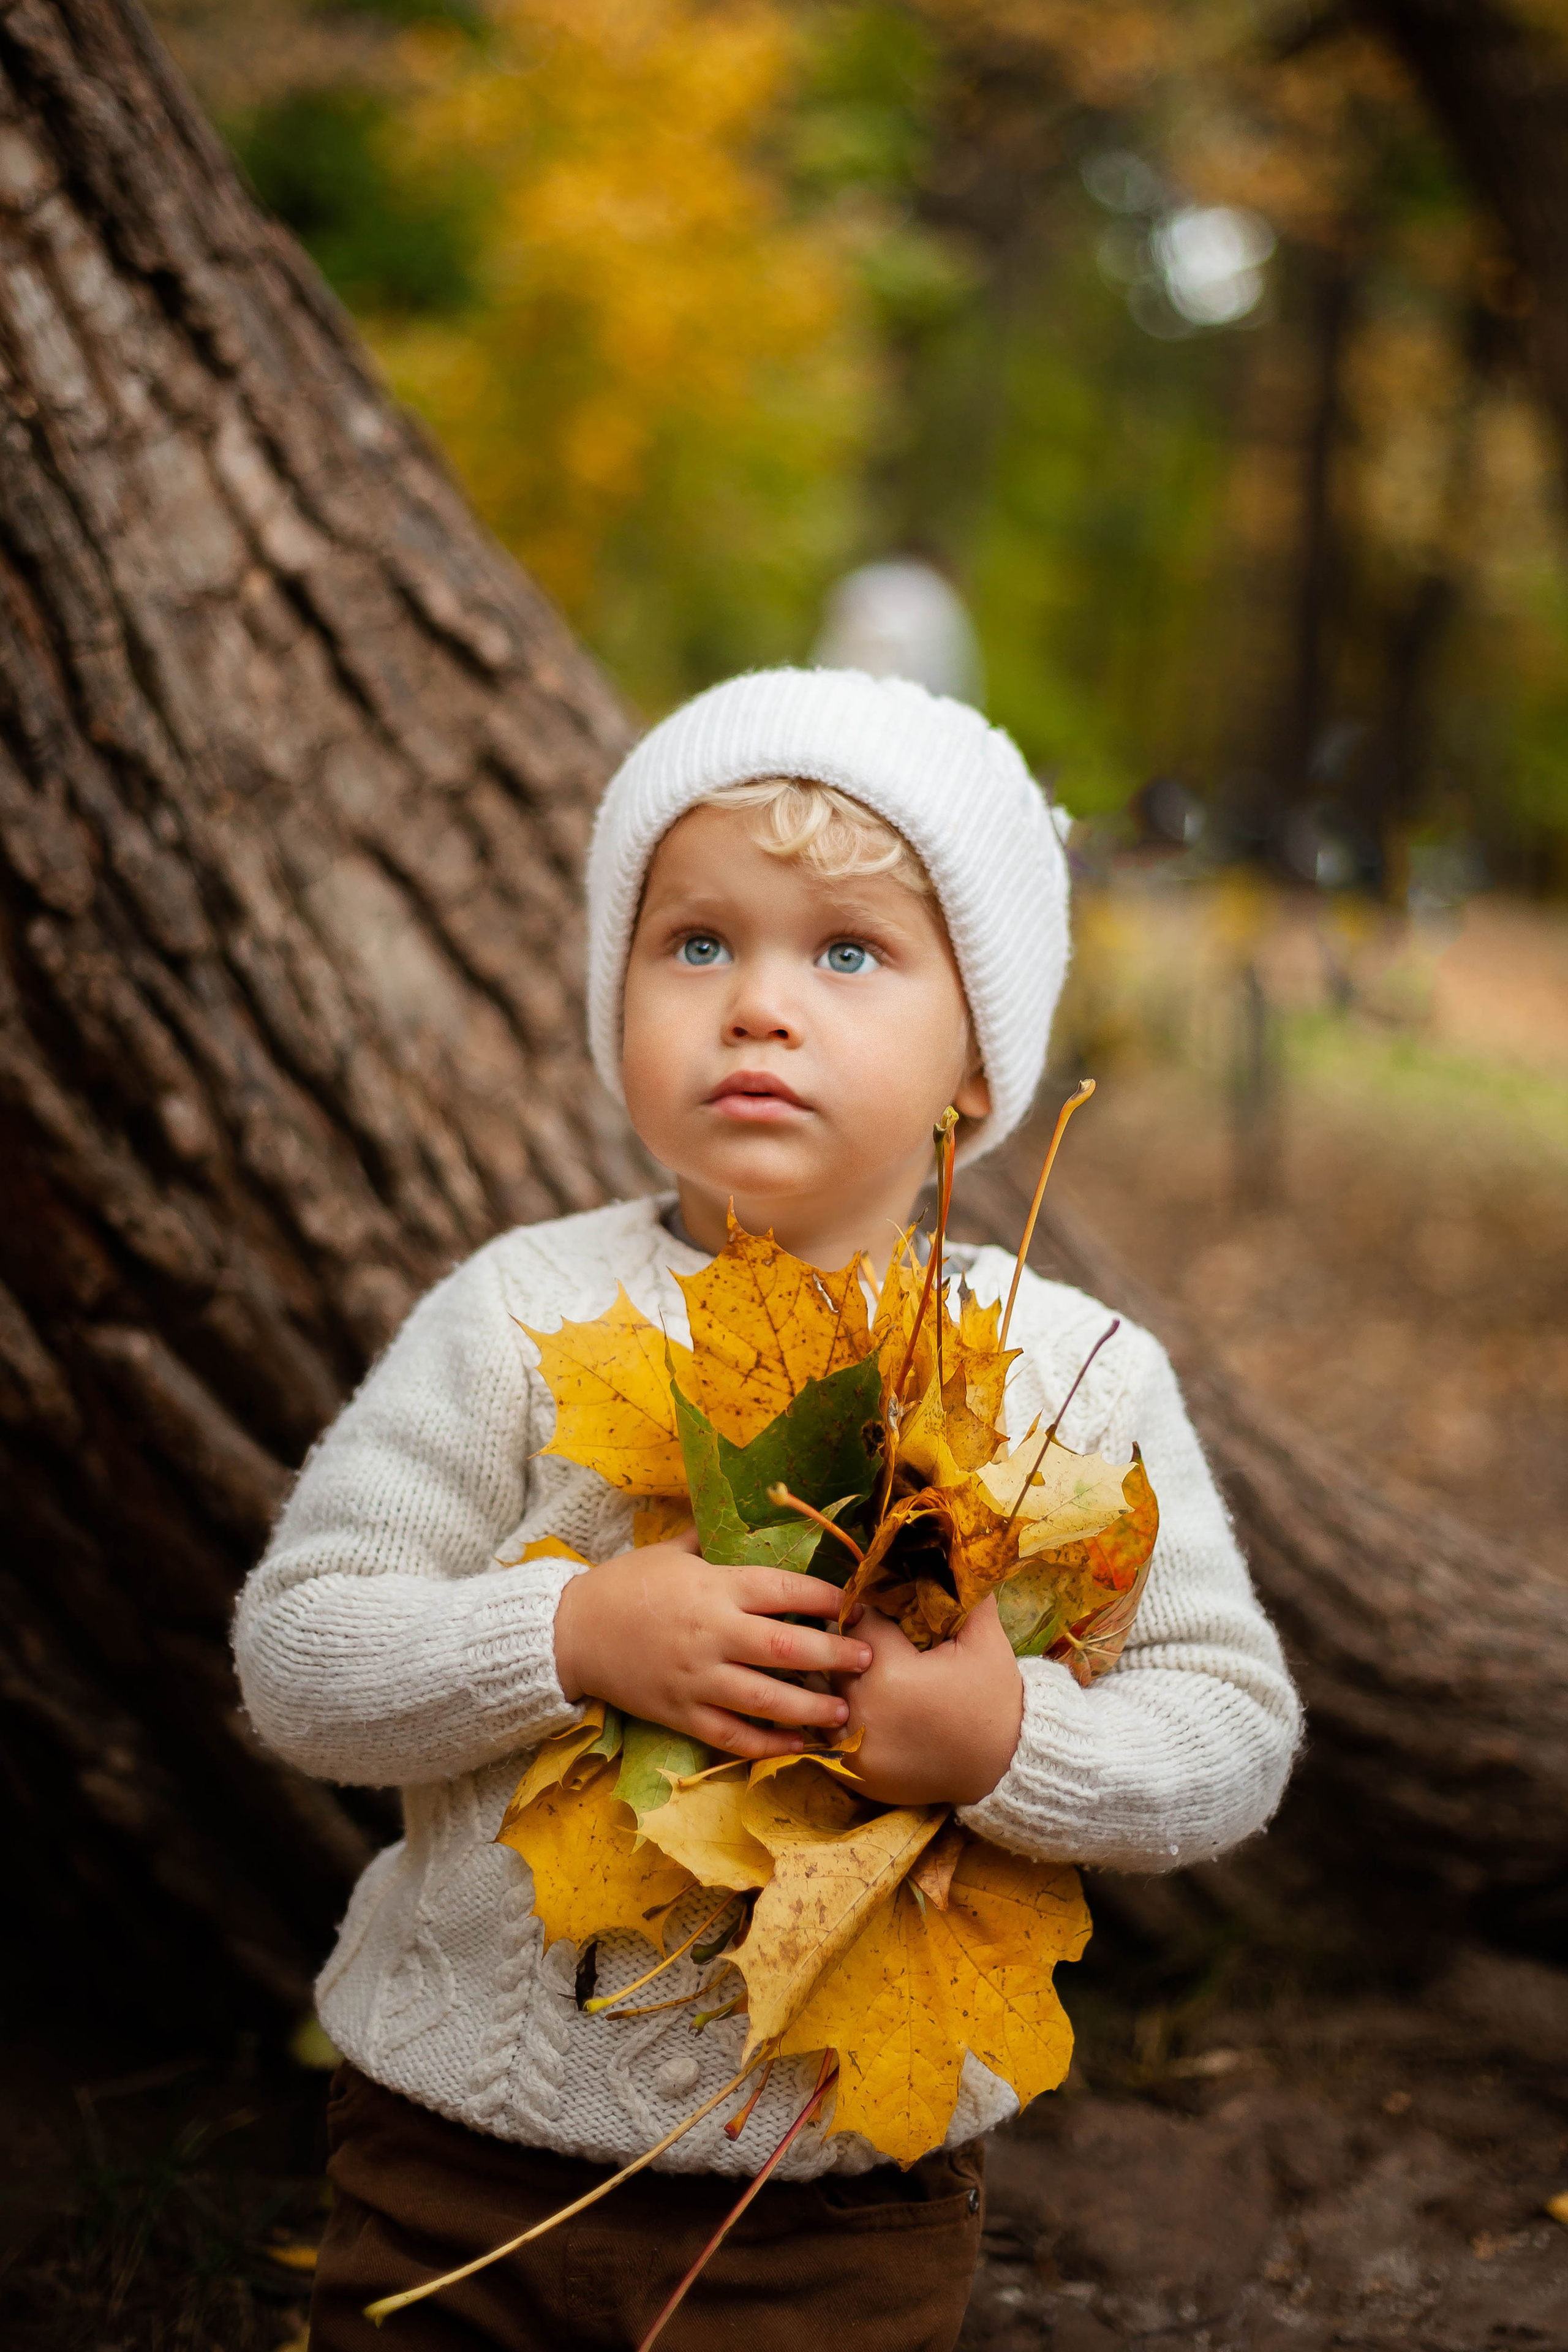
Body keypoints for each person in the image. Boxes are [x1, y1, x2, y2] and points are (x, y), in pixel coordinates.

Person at [234, 667, 1301, 2352]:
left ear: (979, 1059)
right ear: (620, 999)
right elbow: (298, 1652)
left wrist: (1010, 1743)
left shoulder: (1071, 1373)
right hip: (449, 2172)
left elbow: (1232, 1724)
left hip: (830, 2213)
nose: (759, 1006)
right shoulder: (519, 1315)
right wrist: (567, 1632)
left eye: (852, 951)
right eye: (699, 944)